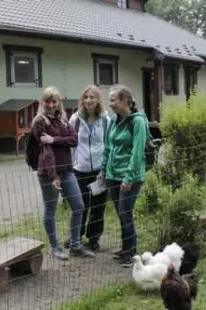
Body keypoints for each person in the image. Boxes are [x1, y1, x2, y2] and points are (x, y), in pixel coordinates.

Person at [31, 86, 95, 260]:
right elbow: (47, 152)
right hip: (48, 173)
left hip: (67, 170)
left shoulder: (63, 119)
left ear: (58, 102)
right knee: (50, 210)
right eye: (47, 101)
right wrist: (53, 176)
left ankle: (75, 245)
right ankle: (54, 246)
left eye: (54, 101)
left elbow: (74, 140)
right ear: (42, 102)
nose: (51, 105)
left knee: (78, 206)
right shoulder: (40, 122)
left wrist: (54, 140)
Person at [100, 84, 148, 268]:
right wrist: (103, 170)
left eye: (113, 100)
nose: (110, 104)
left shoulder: (138, 122)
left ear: (125, 101)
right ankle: (125, 247)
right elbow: (108, 147)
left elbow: (137, 152)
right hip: (113, 175)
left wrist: (129, 178)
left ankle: (131, 251)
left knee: (125, 213)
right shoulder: (113, 121)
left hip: (130, 177)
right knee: (121, 214)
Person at [69, 85, 109, 252]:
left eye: (92, 97)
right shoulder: (75, 120)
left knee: (98, 206)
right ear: (82, 100)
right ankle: (76, 237)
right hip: (80, 170)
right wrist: (70, 167)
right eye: (86, 97)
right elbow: (71, 145)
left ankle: (94, 238)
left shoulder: (106, 120)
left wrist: (104, 170)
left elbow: (108, 145)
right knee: (80, 205)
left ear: (98, 100)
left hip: (99, 172)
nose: (89, 100)